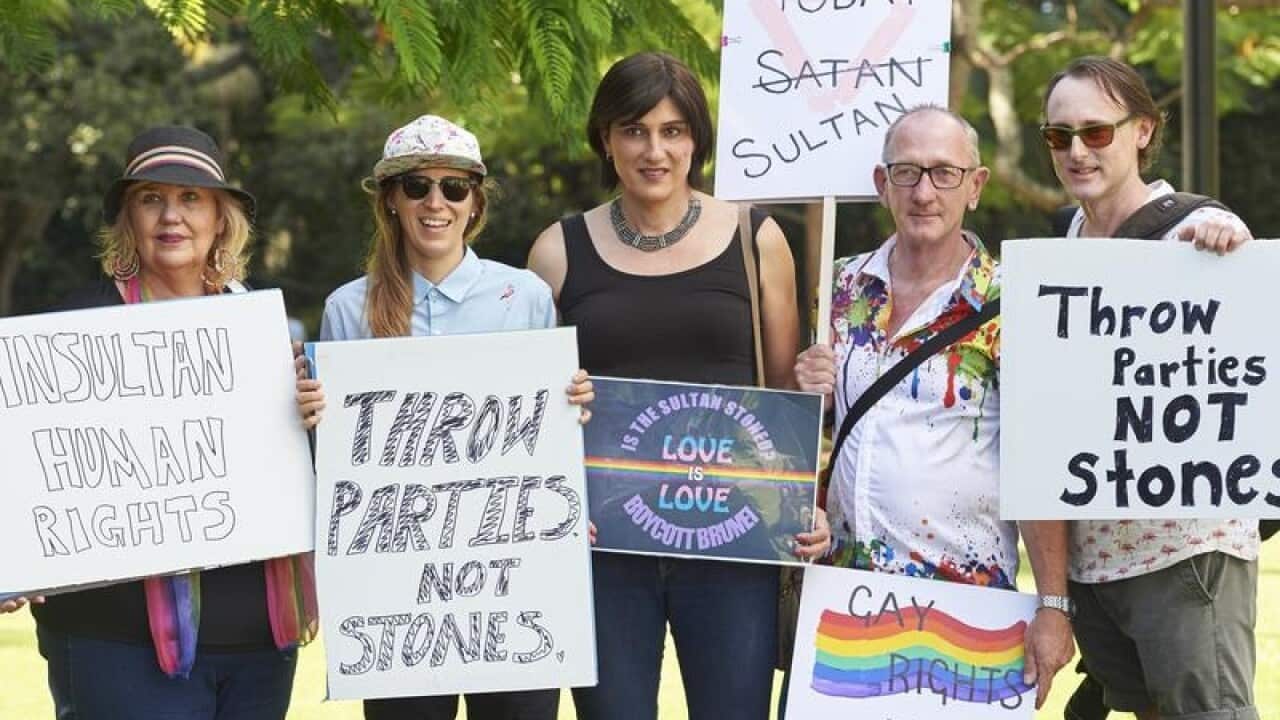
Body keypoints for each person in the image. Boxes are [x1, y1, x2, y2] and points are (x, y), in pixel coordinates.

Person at [526, 51, 831, 720]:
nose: (654, 150)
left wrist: (805, 500)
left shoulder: (758, 240)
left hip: (733, 546)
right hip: (602, 551)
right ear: (606, 140)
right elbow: (532, 413)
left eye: (673, 131)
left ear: (697, 139)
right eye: (634, 130)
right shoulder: (556, 251)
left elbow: (781, 400)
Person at [8, 125, 316, 720]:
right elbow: (23, 461)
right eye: (151, 198)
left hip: (258, 648)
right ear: (127, 217)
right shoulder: (73, 332)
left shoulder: (261, 332)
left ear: (221, 218)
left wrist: (311, 415)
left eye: (191, 199)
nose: (171, 216)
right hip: (112, 644)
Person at [294, 114, 593, 720]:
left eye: (454, 187)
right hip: (396, 597)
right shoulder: (348, 308)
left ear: (474, 202)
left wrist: (573, 407)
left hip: (512, 587)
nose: (436, 202)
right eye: (417, 187)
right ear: (391, 201)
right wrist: (308, 414)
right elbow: (336, 463)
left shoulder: (526, 297)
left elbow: (545, 440)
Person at [792, 105, 1075, 711]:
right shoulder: (839, 289)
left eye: (945, 173)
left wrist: (1053, 605)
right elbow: (815, 433)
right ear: (880, 184)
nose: (925, 191)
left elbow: (1038, 461)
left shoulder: (1011, 301)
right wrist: (808, 394)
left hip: (965, 600)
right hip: (846, 590)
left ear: (975, 187)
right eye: (907, 172)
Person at [1042, 56, 1256, 720]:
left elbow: (1246, 321)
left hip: (1186, 554)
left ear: (1142, 131)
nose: (1077, 150)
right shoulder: (1059, 243)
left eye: (1096, 132)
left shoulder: (1194, 231)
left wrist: (1231, 241)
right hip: (1094, 561)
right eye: (1059, 135)